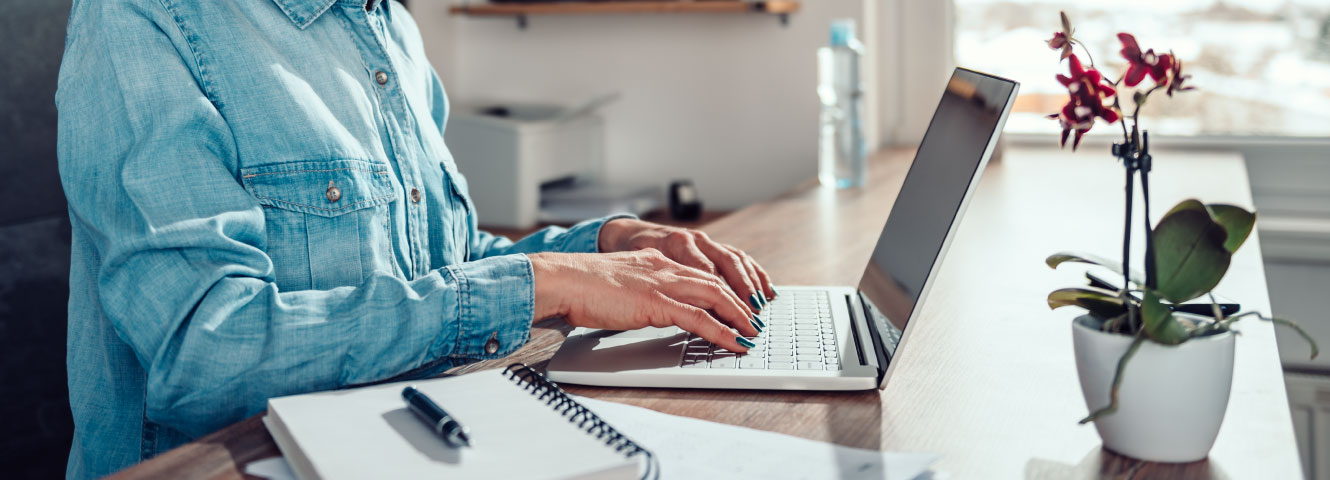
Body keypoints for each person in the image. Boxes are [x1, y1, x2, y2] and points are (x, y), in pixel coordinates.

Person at [55, 0, 775, 477]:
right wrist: (544, 282)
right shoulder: (140, 21)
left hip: (406, 443)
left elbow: (445, 266)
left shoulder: (386, 24)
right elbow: (205, 350)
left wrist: (607, 249)